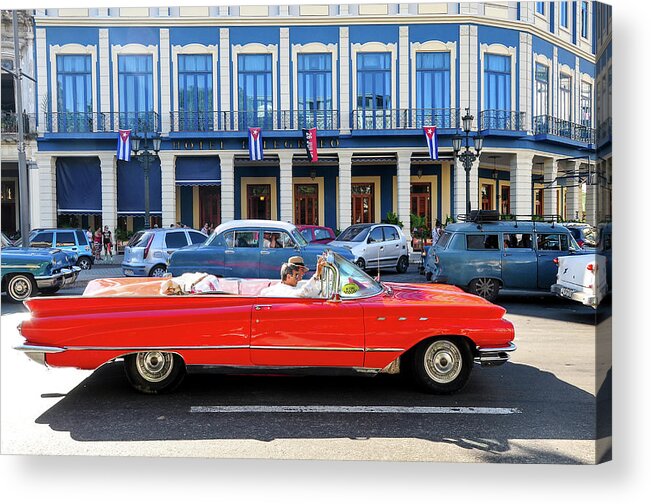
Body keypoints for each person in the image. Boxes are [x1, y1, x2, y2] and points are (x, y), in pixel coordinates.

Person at [260, 255, 326, 298]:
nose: (302, 273)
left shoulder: (285, 286)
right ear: (288, 277)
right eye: (296, 275)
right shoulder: (285, 290)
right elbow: (303, 293)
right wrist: (317, 274)